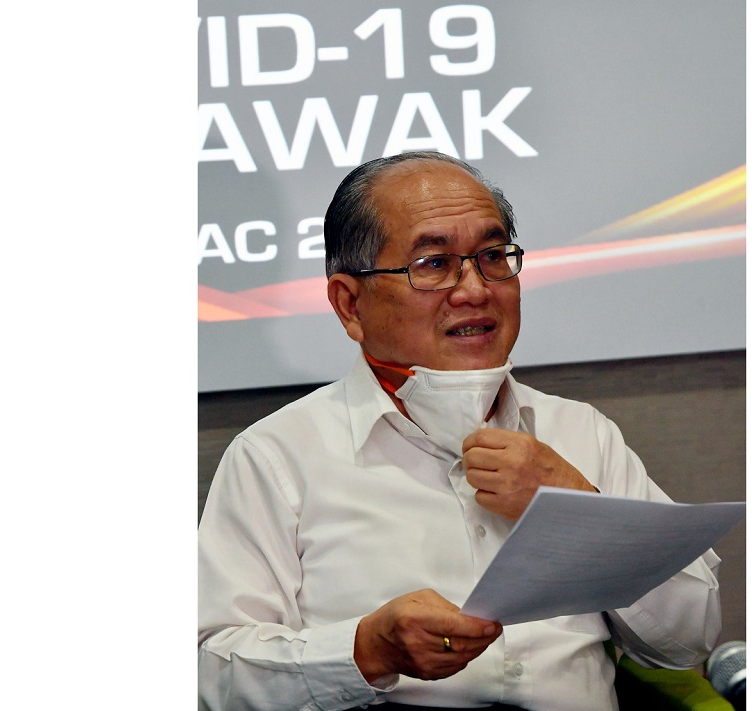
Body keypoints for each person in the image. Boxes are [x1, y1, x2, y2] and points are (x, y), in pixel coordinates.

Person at [198, 151, 722, 711]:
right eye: (433, 264)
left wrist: (582, 513)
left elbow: (688, 641)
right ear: (350, 304)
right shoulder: (278, 454)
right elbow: (208, 672)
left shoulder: (580, 432)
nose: (475, 289)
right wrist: (365, 650)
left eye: (493, 256)